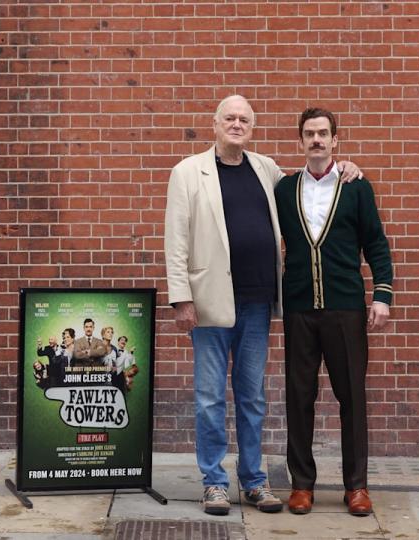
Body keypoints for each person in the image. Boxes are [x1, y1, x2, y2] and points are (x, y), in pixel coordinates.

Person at [163, 95, 364, 516]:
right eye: (230, 118)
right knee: (209, 397)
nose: (237, 124)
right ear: (215, 124)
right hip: (210, 303)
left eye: (245, 119)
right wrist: (181, 298)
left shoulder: (265, 169)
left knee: (253, 396)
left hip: (257, 303)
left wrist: (347, 166)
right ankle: (215, 482)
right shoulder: (187, 173)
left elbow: (310, 180)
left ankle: (254, 481)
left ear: (252, 127)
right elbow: (176, 239)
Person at [274, 108, 393, 517]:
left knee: (352, 398)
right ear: (300, 142)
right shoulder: (284, 190)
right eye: (309, 134)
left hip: (346, 308)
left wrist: (381, 295)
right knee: (299, 396)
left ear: (335, 140)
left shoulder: (357, 188)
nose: (317, 140)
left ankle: (356, 485)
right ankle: (302, 484)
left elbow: (376, 243)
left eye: (324, 133)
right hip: (300, 310)